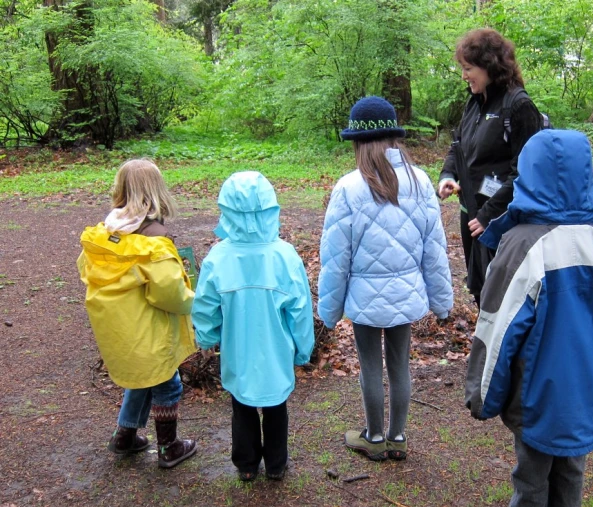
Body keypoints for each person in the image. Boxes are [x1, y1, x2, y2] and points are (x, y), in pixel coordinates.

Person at [464, 130, 593, 507]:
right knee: (571, 465)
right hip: (584, 387)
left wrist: (481, 393)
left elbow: (495, 330)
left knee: (532, 466)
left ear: (528, 176)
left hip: (533, 389)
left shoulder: (520, 245)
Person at [318, 96, 454, 461]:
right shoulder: (421, 181)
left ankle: (374, 438)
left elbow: (335, 258)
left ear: (358, 142)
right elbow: (434, 249)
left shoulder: (348, 187)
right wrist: (442, 302)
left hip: (364, 298)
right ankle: (398, 437)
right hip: (406, 294)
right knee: (399, 366)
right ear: (394, 137)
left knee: (370, 367)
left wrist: (329, 310)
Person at [191, 171, 314, 482]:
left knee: (241, 405)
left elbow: (205, 304)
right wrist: (302, 350)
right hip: (276, 352)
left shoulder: (218, 258)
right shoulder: (284, 256)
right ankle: (275, 463)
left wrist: (207, 336)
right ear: (271, 208)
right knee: (276, 407)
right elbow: (300, 310)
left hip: (238, 350)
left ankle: (246, 464)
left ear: (227, 211)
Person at [77, 159, 198, 468]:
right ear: (158, 191)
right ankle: (169, 447)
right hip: (150, 331)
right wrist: (194, 300)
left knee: (142, 378)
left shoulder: (105, 234)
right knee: (167, 383)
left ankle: (125, 435)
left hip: (121, 331)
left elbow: (86, 271)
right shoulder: (153, 243)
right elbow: (169, 293)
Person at [438, 28, 544, 306]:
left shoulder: (519, 106)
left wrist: (489, 216)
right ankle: (485, 346)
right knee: (479, 288)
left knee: (505, 292)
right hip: (470, 212)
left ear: (489, 66)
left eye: (468, 68)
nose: (464, 76)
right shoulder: (474, 102)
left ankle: (505, 348)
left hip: (501, 219)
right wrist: (448, 175)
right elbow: (457, 146)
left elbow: (525, 173)